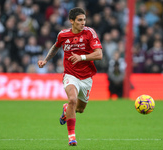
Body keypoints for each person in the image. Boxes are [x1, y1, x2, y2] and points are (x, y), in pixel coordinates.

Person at [37, 7, 103, 146]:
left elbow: (99, 54)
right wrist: (46, 60)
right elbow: (56, 46)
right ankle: (72, 137)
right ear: (71, 21)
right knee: (72, 99)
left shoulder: (90, 33)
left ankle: (66, 109)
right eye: (80, 20)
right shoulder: (63, 35)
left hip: (86, 77)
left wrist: (82, 57)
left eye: (84, 19)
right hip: (70, 74)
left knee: (79, 109)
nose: (83, 22)